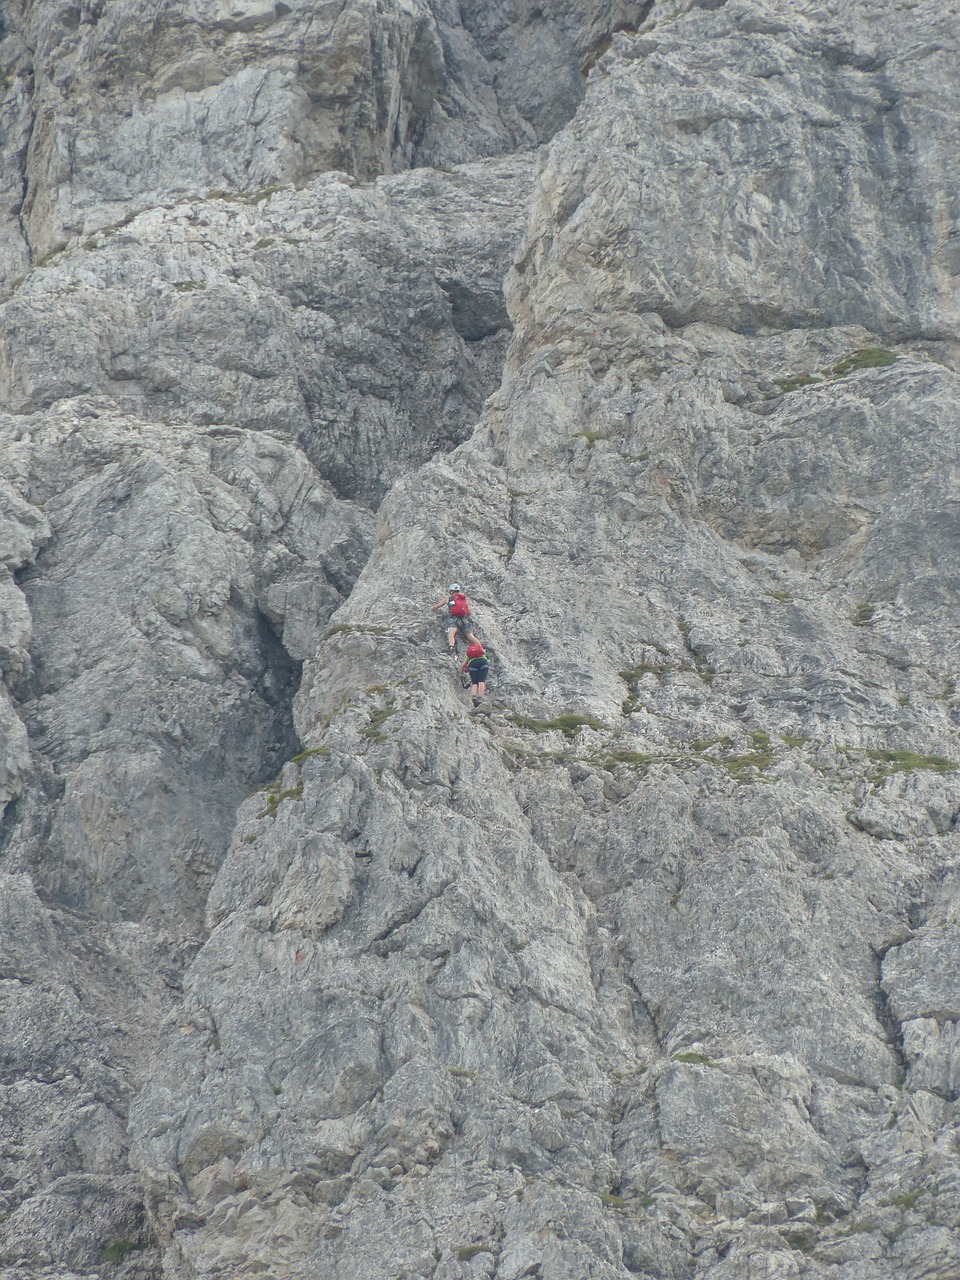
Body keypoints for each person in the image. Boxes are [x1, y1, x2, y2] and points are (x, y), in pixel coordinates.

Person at [431, 582, 479, 655]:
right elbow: (468, 611)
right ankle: (481, 649)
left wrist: (432, 608)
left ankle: (451, 647)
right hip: (464, 619)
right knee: (470, 636)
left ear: (451, 591)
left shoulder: (449, 598)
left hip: (454, 618)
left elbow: (438, 606)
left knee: (451, 633)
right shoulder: (462, 599)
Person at [461, 642, 489, 707]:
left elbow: (463, 665)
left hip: (473, 664)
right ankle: (480, 697)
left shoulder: (469, 656)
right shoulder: (482, 653)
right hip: (483, 662)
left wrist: (461, 673)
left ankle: (474, 696)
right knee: (481, 681)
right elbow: (487, 659)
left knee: (474, 682)